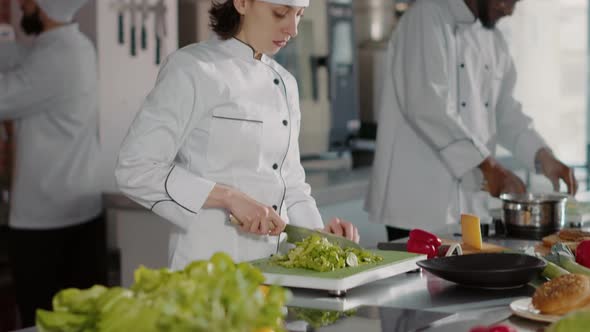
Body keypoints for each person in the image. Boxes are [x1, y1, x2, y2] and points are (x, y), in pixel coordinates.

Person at [116, 0, 360, 270]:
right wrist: (228, 197)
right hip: (208, 269)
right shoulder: (192, 68)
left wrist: (321, 237)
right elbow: (135, 168)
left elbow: (290, 184)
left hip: (275, 270)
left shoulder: (286, 84)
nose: (293, 29)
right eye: (281, 13)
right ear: (242, 3)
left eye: (299, 16)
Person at [365, 0, 578, 241]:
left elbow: (506, 113)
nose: (509, 10)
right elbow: (426, 103)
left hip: (467, 209)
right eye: (507, 0)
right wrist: (490, 167)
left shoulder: (494, 41)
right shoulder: (426, 16)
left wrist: (543, 157)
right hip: (417, 206)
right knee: (419, 279)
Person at [0, 0, 104, 326]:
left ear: (47, 6)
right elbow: (16, 57)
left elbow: (5, 94)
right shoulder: (64, 47)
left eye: (28, 1)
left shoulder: (59, 57)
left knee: (45, 320)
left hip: (49, 223)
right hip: (71, 212)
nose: (20, 5)